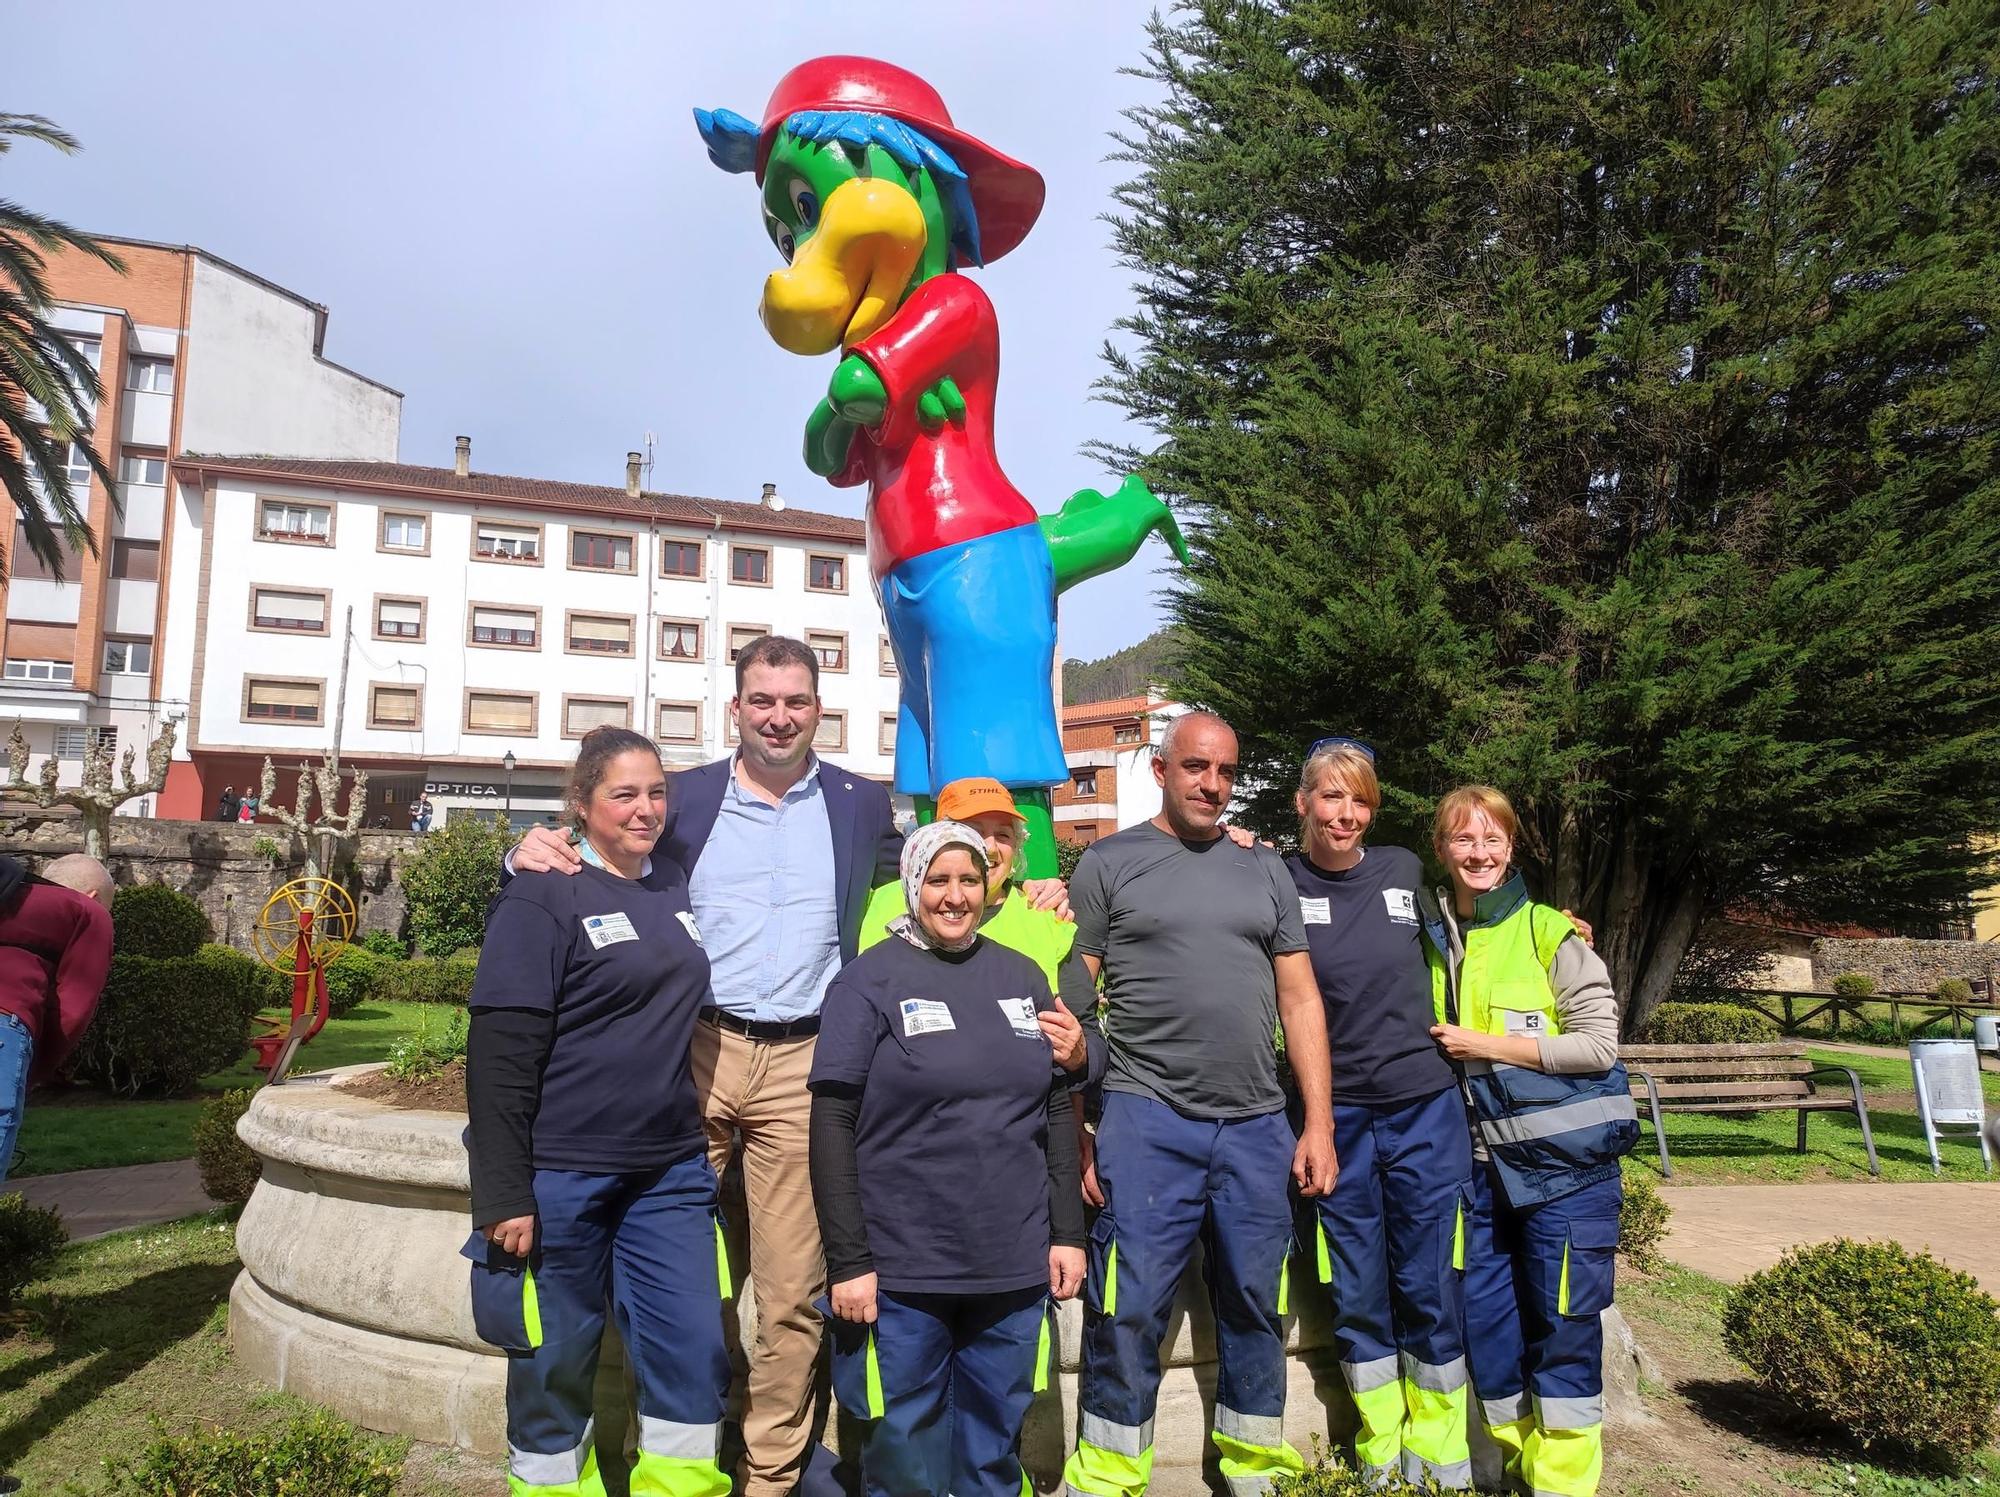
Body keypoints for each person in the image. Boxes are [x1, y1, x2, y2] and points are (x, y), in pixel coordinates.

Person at [508, 634, 903, 1497]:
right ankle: (691, 1445)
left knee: (794, 1289)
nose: (779, 716)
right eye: (762, 699)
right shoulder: (680, 798)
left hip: (806, 1059)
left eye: (796, 700)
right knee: (682, 1277)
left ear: (819, 709)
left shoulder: (860, 804)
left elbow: (919, 892)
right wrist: (525, 849)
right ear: (736, 707)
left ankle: (769, 1472)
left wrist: (1028, 888)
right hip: (692, 1052)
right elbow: (604, 853)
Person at [1063, 712, 1337, 1497]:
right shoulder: (1109, 864)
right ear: (1160, 769)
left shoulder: (1265, 869)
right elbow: (1074, 1007)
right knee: (1131, 1301)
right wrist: (1084, 1123)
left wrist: (1315, 1121)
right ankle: (1110, 1475)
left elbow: (1300, 997)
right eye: (1195, 767)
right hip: (1146, 1116)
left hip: (1255, 1122)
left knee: (1258, 1300)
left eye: (1223, 771)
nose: (1210, 784)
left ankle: (1255, 1470)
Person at [464, 726, 730, 1497]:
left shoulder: (671, 881)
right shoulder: (543, 892)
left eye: (656, 792)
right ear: (581, 804)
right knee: (553, 1358)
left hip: (669, 1170)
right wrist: (503, 1189)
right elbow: (501, 1051)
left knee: (691, 1346)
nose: (645, 808)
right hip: (560, 1173)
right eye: (624, 794)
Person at [810, 822, 1095, 1497]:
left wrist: (1066, 1234)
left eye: (969, 879)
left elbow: (1057, 1107)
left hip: (1009, 1265)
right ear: (912, 885)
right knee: (904, 1453)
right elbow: (831, 1125)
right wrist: (849, 1261)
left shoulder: (1022, 974)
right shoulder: (866, 982)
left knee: (991, 1451)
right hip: (905, 1268)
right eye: (938, 879)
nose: (955, 895)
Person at [1420, 785, 1636, 1497]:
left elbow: (1599, 1046)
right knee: (1489, 1329)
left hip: (1566, 1176)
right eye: (1464, 840)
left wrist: (1484, 1043)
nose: (1479, 853)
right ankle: (1518, 1470)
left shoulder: (1551, 932)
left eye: (1492, 839)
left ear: (1511, 846)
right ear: (1442, 849)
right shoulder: (1430, 929)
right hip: (1479, 1176)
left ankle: (1564, 1485)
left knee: (1565, 1330)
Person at [1286, 738, 1473, 1488]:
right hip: (1338, 1117)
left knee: (1430, 1281)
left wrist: (1555, 919)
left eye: (1360, 798)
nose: (1347, 813)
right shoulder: (1274, 880)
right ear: (1303, 801)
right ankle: (1381, 1452)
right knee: (1358, 1288)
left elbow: (1476, 911)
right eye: (1332, 796)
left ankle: (1440, 1456)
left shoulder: (1402, 869)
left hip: (1426, 1107)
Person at [858, 777, 1094, 1015]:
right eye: (974, 832)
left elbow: (1086, 1028)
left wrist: (1077, 1050)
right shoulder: (883, 901)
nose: (990, 848)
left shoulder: (1042, 913)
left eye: (1003, 835)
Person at [0, 853, 115, 1184]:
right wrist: (35, 1072)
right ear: (93, 896)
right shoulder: (86, 911)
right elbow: (73, 1010)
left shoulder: (10, 894)